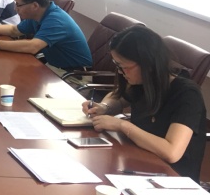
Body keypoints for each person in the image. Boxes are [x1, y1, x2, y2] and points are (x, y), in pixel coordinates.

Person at [83, 26, 206, 181]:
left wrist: (123, 126)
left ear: (147, 64)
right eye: (118, 66)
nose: (121, 72)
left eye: (124, 67)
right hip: (140, 159)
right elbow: (118, 97)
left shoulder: (187, 94)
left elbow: (171, 152)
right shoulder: (143, 81)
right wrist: (104, 107)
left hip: (172, 177)